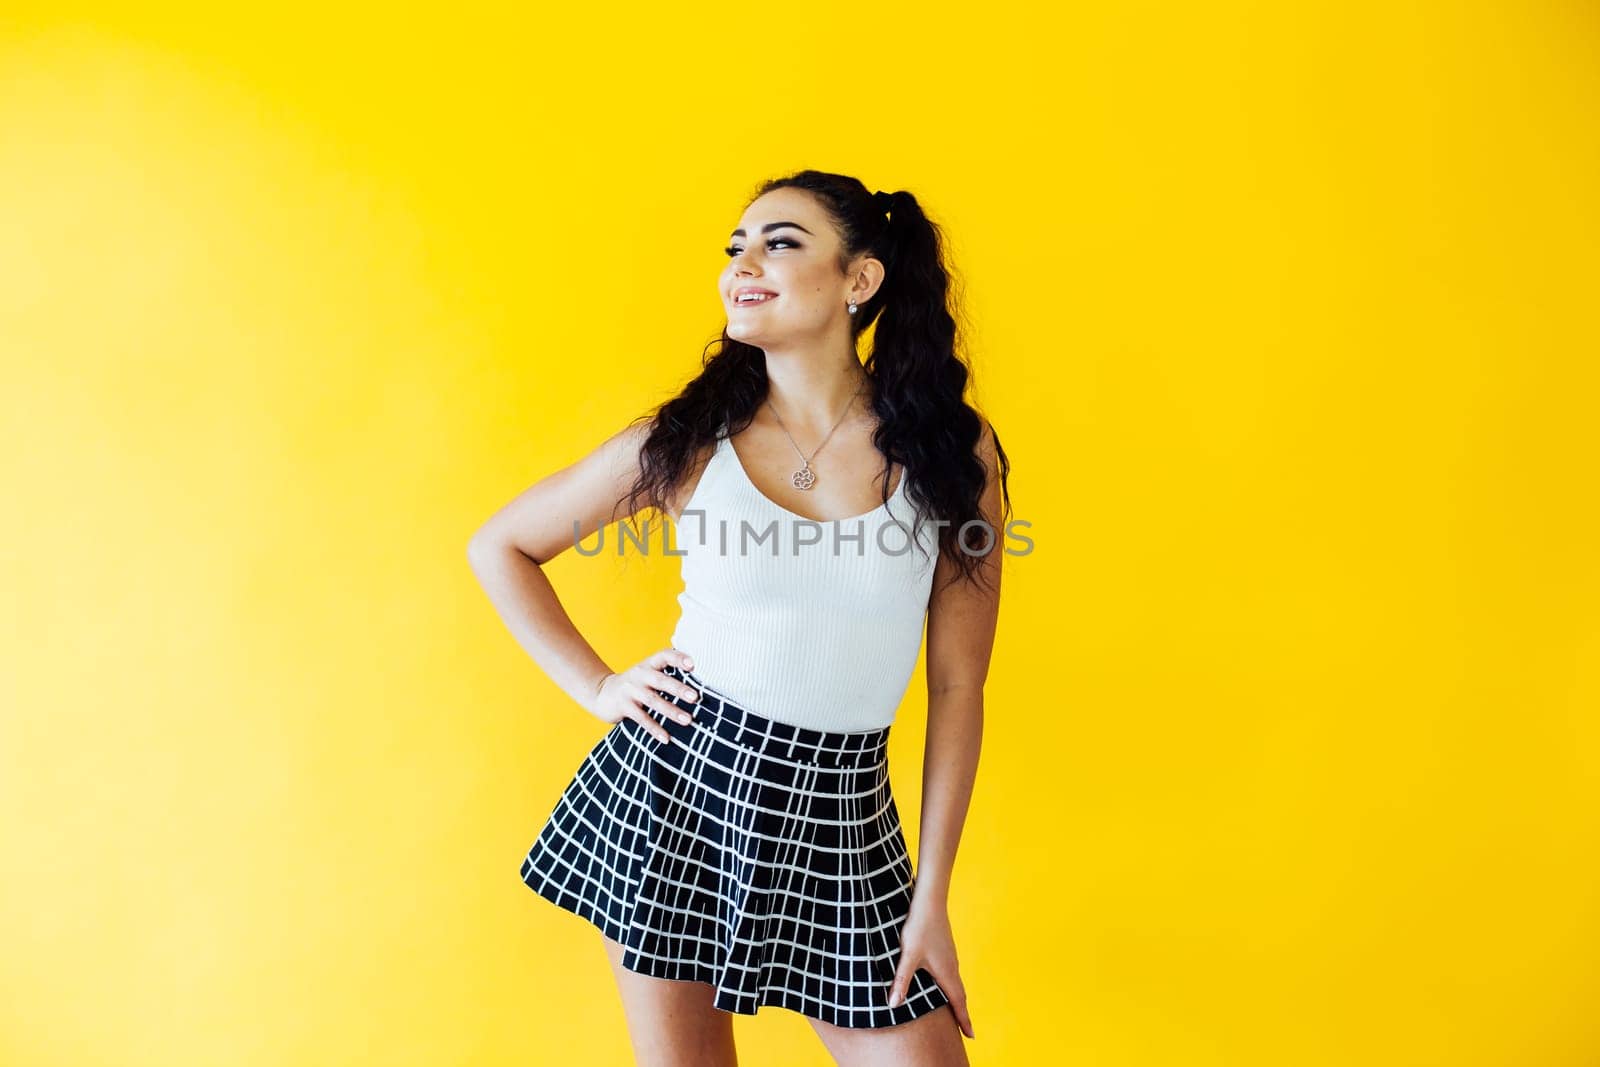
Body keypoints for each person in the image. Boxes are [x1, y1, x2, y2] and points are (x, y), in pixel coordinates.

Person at [468, 168, 1010, 1066]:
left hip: (843, 810)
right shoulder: (684, 444)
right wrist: (600, 686)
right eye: (735, 248)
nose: (741, 264)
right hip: (677, 792)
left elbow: (959, 681)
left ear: (860, 280)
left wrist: (932, 896)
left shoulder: (953, 453)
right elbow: (503, 546)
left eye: (780, 242)